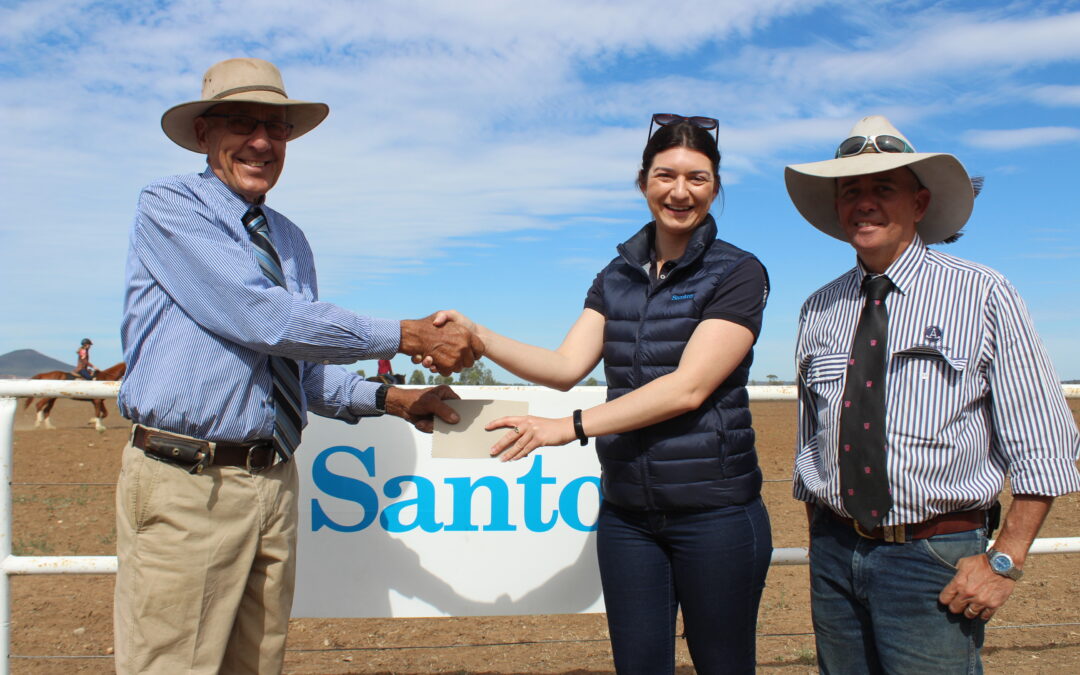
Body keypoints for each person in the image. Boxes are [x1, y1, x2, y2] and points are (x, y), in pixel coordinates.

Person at [115, 57, 482, 675]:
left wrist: (390, 399)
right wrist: (405, 335)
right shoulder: (168, 207)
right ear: (204, 134)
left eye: (276, 127)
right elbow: (265, 319)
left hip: (274, 481)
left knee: (258, 664)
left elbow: (299, 366)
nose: (261, 141)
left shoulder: (290, 239)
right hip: (188, 484)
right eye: (241, 122)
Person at [429, 114, 773, 674]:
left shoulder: (737, 272)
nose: (680, 192)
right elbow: (565, 366)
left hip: (716, 514)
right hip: (628, 516)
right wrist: (480, 336)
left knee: (723, 665)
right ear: (643, 183)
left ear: (715, 187)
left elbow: (688, 388)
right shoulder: (616, 275)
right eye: (665, 176)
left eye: (698, 178)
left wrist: (569, 427)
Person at [787, 115, 1080, 673]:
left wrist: (1005, 561)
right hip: (835, 553)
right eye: (851, 190)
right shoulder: (818, 309)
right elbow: (811, 441)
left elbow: (1044, 441)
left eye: (883, 188)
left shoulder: (982, 294)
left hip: (936, 558)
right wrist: (823, 540)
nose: (864, 202)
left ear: (919, 204)